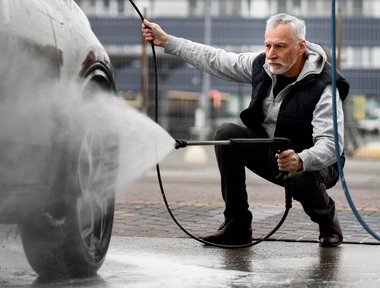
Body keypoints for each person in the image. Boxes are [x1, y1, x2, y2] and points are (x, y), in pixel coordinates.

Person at [142, 13, 349, 247]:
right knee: (226, 134)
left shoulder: (325, 86)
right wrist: (168, 41)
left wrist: (300, 160)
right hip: (274, 152)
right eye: (268, 45)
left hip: (318, 164)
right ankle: (237, 224)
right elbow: (215, 59)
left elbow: (331, 145)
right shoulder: (261, 64)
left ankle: (327, 220)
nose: (271, 54)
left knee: (302, 178)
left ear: (300, 47)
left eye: (280, 46)